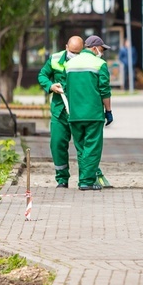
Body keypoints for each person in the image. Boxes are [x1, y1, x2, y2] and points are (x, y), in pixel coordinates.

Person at [65, 35, 113, 190]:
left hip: (75, 115)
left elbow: (67, 88)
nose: (103, 53)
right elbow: (104, 90)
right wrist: (109, 110)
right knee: (92, 148)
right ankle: (86, 182)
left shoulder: (69, 64)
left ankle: (85, 179)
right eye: (102, 49)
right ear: (94, 48)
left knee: (81, 149)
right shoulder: (100, 64)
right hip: (93, 114)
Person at [38, 35, 84, 188]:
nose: (75, 56)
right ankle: (62, 179)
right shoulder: (55, 59)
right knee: (57, 144)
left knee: (82, 146)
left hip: (78, 111)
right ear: (66, 47)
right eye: (72, 52)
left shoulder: (86, 62)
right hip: (59, 111)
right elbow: (42, 75)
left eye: (78, 53)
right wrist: (51, 86)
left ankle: (85, 179)